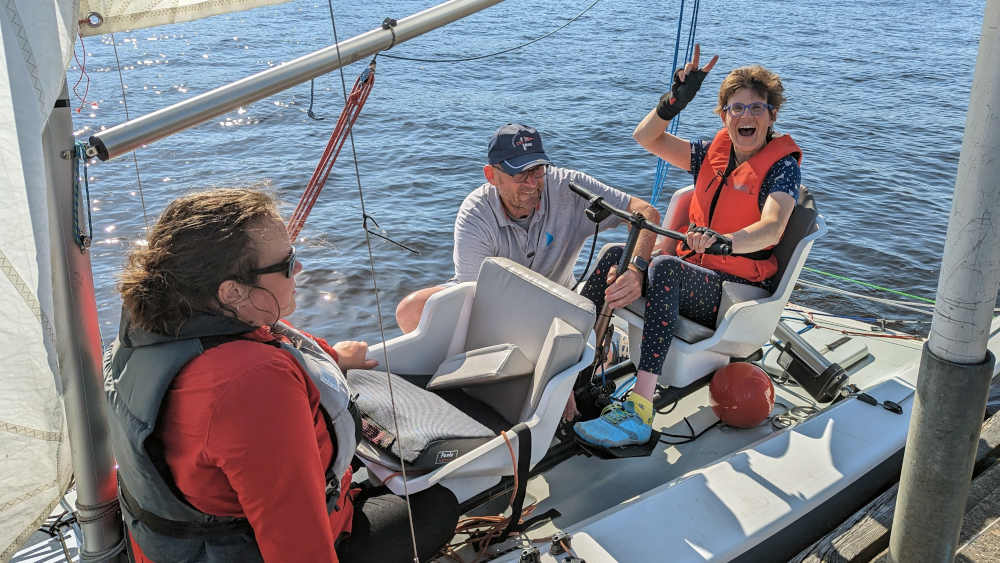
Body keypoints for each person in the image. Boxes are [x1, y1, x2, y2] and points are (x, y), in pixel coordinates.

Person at [103, 188, 458, 562]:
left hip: (174, 542)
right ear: (232, 292)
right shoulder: (252, 386)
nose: (300, 269)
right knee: (436, 505)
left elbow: (270, 341)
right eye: (287, 264)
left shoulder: (149, 329)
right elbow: (298, 550)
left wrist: (333, 357)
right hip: (251, 549)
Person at [574, 45, 801, 448]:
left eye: (756, 108)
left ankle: (640, 411)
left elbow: (772, 227)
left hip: (735, 292)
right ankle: (578, 379)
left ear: (771, 115)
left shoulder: (782, 166)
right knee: (615, 256)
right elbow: (646, 136)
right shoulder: (709, 155)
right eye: (737, 108)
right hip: (692, 274)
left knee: (662, 268)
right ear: (724, 115)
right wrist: (675, 100)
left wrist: (726, 242)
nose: (746, 116)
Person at [395, 123, 660, 337]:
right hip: (489, 303)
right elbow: (478, 302)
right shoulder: (475, 213)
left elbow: (645, 213)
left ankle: (604, 353)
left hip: (555, 300)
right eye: (520, 174)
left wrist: (636, 270)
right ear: (491, 176)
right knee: (410, 310)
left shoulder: (568, 186)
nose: (533, 183)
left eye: (538, 170)